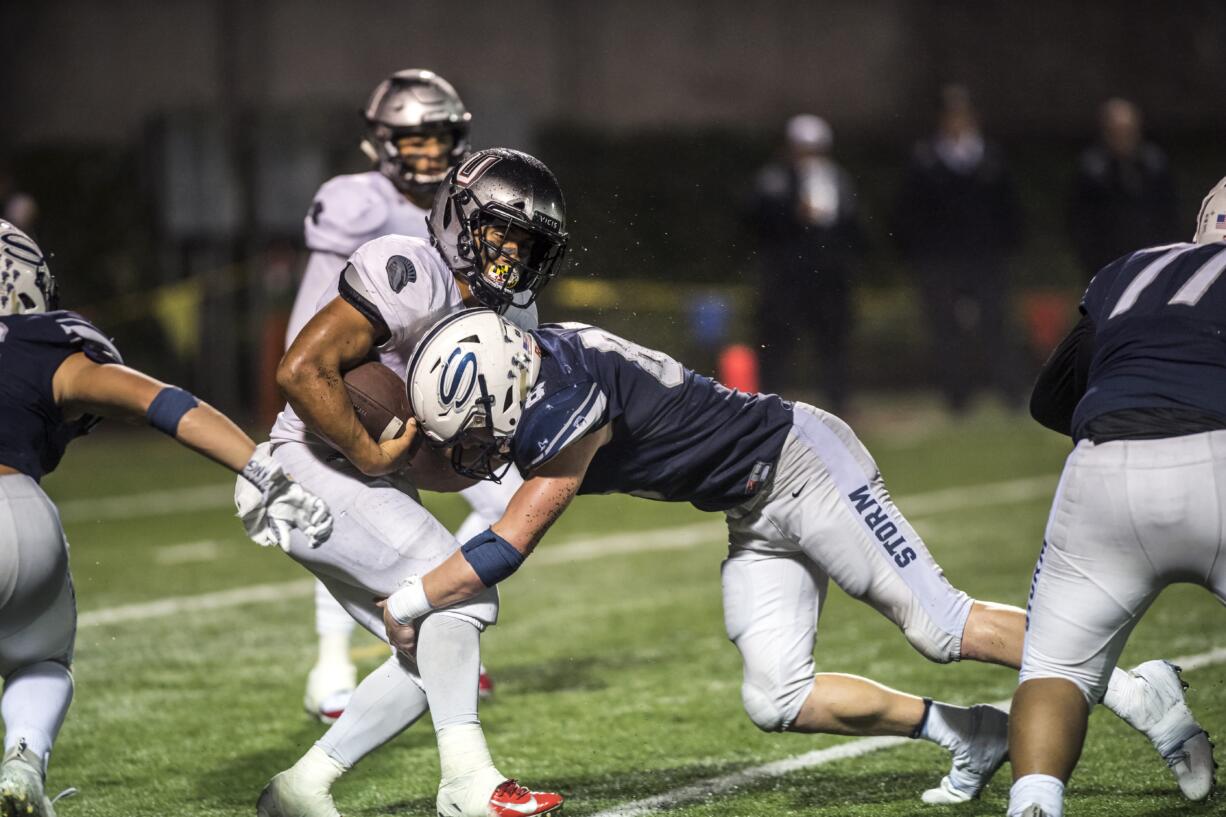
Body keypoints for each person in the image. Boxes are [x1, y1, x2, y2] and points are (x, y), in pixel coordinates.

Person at [391, 308, 1213, 807]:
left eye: (472, 424)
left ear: (503, 385)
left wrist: (405, 603)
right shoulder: (538, 366)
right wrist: (376, 452)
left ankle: (1146, 692)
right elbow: (459, 462)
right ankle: (969, 733)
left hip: (801, 462)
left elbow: (506, 545)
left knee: (939, 622)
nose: (472, 446)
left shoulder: (570, 402)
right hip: (750, 502)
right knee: (775, 695)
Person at [248, 148, 568, 817]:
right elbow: (301, 367)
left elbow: (453, 465)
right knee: (460, 597)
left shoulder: (516, 322)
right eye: (501, 230)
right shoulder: (411, 268)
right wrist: (370, 450)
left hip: (366, 481)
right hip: (305, 467)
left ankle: (302, 786)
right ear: (459, 219)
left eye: (528, 241)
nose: (512, 252)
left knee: (434, 647)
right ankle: (466, 781)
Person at [0, 221, 333, 817]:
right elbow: (163, 402)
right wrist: (261, 468)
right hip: (21, 518)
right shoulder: (37, 347)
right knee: (42, 657)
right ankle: (24, 759)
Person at [1005, 177, 1226, 817]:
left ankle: (1035, 804)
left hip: (1103, 468)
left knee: (1055, 669)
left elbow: (1050, 399)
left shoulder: (1130, 269)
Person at [291, 69, 502, 721]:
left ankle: (434, 617)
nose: (429, 150)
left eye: (439, 136)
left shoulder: (469, 195)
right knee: (366, 504)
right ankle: (332, 663)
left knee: (507, 496)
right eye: (413, 138)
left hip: (444, 379)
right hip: (371, 381)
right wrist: (329, 390)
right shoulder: (354, 200)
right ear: (382, 140)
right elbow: (316, 310)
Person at [894, 84, 1022, 412]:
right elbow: (909, 214)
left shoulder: (991, 157)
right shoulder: (924, 159)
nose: (957, 122)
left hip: (986, 258)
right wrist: (920, 255)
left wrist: (1005, 247)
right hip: (941, 260)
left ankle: (1010, 393)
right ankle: (957, 397)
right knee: (945, 330)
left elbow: (1009, 209)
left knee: (996, 326)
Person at [749, 114, 862, 413]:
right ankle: (768, 404)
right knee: (777, 342)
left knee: (833, 341)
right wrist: (792, 211)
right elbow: (758, 220)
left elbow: (851, 225)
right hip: (786, 277)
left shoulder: (837, 178)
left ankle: (839, 402)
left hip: (828, 277)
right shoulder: (774, 179)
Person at [1068, 98, 1178, 283]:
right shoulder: (1093, 169)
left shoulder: (1153, 164)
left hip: (1151, 257)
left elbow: (1168, 211)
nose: (1123, 137)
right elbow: (1080, 217)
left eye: (1128, 131)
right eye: (1117, 131)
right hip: (1105, 261)